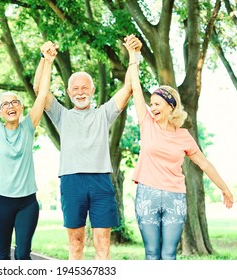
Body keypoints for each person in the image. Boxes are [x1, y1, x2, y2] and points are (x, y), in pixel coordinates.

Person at [124, 36, 234, 260]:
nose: (152, 107)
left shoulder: (184, 136)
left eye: (157, 104)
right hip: (148, 194)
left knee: (169, 254)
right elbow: (135, 87)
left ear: (170, 106)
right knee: (152, 253)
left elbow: (204, 163)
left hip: (175, 197)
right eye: (151, 104)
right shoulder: (147, 123)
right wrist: (133, 57)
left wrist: (224, 188)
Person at [33, 35, 140, 260]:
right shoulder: (61, 115)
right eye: (75, 88)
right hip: (72, 182)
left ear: (92, 91)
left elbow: (129, 87)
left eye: (85, 88)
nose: (80, 92)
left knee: (103, 244)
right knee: (76, 243)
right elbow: (38, 90)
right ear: (69, 92)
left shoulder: (104, 113)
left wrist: (133, 55)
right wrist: (46, 60)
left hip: (100, 181)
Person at [0, 42, 57, 259]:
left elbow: (42, 95)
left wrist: (47, 61)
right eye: (5, 104)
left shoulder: (29, 126)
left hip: (27, 202)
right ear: (0, 112)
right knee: (2, 256)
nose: (10, 106)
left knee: (23, 256)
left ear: (21, 108)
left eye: (15, 102)